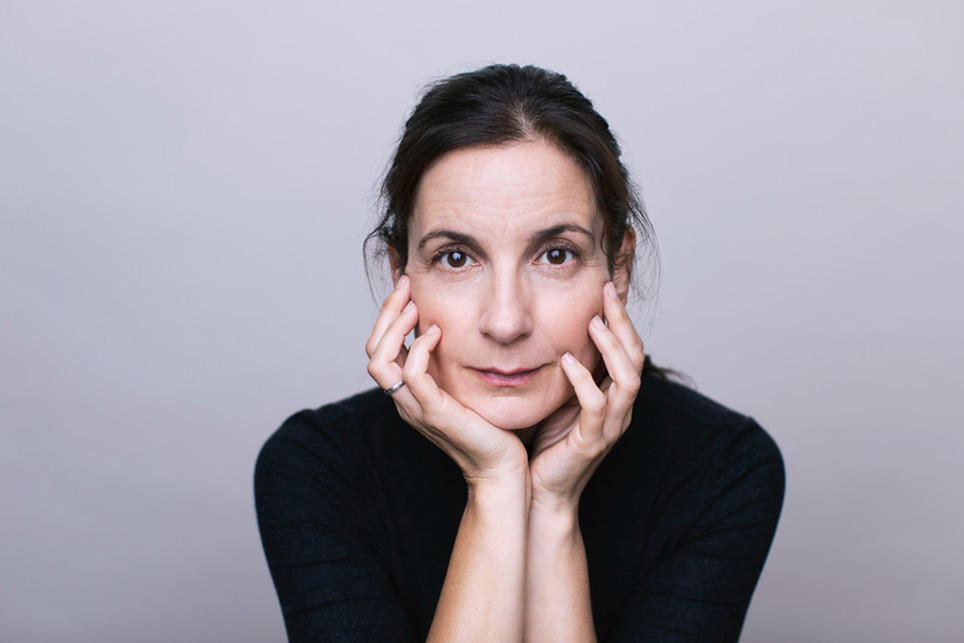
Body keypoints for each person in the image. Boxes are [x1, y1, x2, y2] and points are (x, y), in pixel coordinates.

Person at [255, 64, 784, 642]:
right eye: (457, 258)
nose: (506, 321)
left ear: (620, 268)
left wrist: (553, 507)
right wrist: (496, 487)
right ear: (399, 274)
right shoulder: (316, 469)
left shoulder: (722, 469)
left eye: (555, 256)